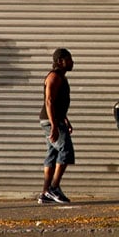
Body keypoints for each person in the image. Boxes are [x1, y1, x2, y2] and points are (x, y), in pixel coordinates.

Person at [38, 48, 75, 204]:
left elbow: (58, 103)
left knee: (52, 154)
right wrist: (54, 125)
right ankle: (54, 188)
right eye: (69, 59)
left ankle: (45, 193)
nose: (72, 62)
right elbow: (49, 101)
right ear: (60, 61)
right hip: (51, 121)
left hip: (55, 120)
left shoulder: (61, 77)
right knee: (66, 150)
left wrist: (65, 118)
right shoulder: (54, 76)